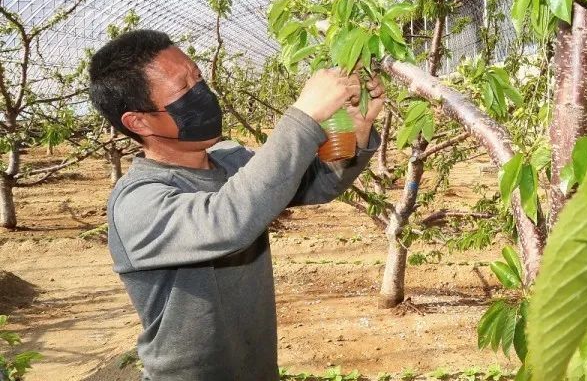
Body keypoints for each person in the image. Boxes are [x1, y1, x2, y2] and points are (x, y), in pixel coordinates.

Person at [88, 29, 383, 381]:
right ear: (139, 121)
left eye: (197, 77)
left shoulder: (229, 160)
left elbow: (316, 183)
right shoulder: (138, 201)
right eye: (183, 89)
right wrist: (303, 116)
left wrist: (355, 128)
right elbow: (229, 220)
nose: (200, 92)